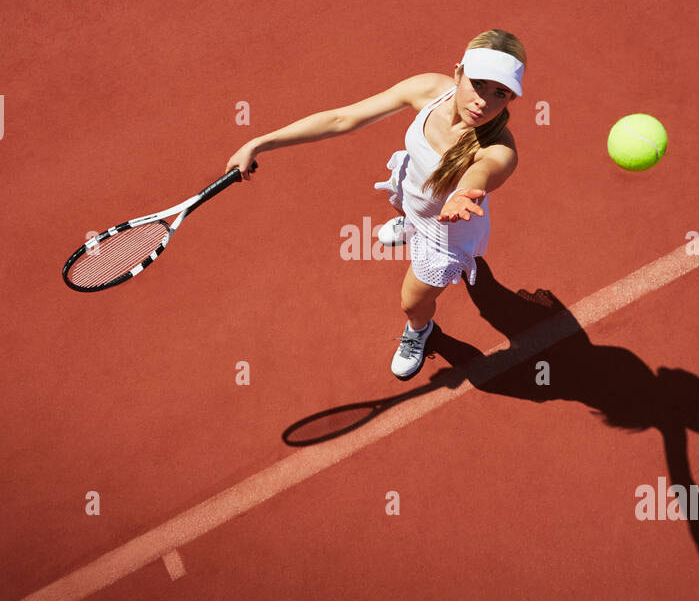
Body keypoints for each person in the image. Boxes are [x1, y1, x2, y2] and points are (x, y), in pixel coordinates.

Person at [225, 29, 526, 379]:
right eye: (478, 84)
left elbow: (484, 172)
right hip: (412, 190)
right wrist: (259, 143)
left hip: (446, 229)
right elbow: (343, 119)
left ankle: (420, 331)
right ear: (458, 72)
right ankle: (408, 224)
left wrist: (464, 192)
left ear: (510, 99)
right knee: (403, 207)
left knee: (412, 302)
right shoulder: (429, 89)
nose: (483, 101)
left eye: (500, 93)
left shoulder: (500, 150)